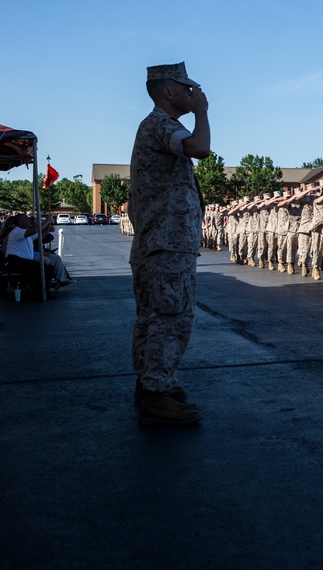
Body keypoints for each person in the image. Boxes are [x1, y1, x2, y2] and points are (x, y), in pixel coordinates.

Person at [129, 62, 210, 426]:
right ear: (168, 92)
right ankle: (155, 392)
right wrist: (203, 112)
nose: (192, 94)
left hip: (160, 241)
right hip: (166, 242)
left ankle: (153, 383)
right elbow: (200, 148)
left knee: (153, 317)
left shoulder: (157, 126)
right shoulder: (162, 124)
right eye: (186, 88)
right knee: (170, 317)